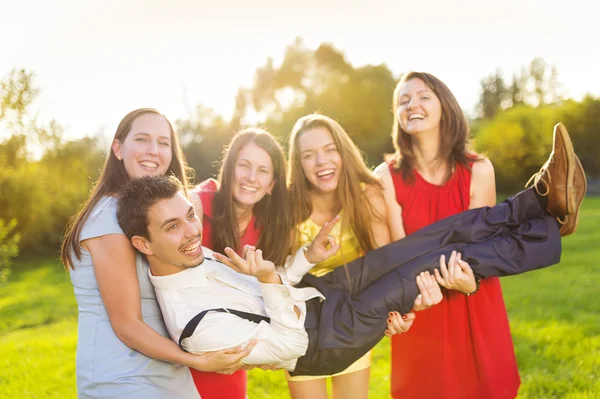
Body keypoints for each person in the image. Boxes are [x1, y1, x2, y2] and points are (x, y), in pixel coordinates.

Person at [114, 126, 584, 377]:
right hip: (325, 339)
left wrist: (305, 259)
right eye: (172, 226)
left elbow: (281, 282)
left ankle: (541, 199)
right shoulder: (197, 329)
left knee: (431, 239)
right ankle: (548, 232)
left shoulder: (198, 257)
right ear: (143, 243)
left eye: (190, 216)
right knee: (432, 265)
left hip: (321, 292)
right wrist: (271, 282)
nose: (192, 231)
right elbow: (291, 342)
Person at [375, 72, 584, 399]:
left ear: (445, 106)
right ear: (397, 118)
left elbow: (486, 249)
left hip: (472, 300)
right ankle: (546, 206)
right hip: (423, 303)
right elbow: (400, 258)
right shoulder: (385, 177)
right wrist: (404, 305)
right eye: (403, 100)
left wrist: (470, 284)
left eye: (423, 96)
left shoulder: (478, 169)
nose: (412, 104)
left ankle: (545, 204)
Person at [60, 108, 256, 399]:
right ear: (117, 148)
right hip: (123, 378)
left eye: (164, 143)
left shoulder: (152, 213)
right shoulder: (108, 218)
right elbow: (127, 323)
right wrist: (198, 361)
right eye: (142, 139)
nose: (154, 150)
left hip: (166, 372)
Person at [284, 114, 437, 399]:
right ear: (298, 163)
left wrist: (401, 312)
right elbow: (278, 277)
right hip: (302, 327)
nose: (322, 161)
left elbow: (386, 266)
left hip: (353, 318)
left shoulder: (366, 197)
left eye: (330, 149)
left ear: (343, 152)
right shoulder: (286, 207)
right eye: (309, 155)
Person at [186, 128, 293, 399]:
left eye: (262, 171)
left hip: (232, 350)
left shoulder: (269, 227)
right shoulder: (195, 205)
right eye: (243, 166)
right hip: (185, 344)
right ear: (229, 168)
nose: (250, 178)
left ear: (272, 185)